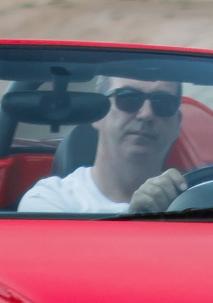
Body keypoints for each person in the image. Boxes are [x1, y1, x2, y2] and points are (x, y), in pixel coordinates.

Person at [17, 77, 186, 214]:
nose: (146, 114)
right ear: (97, 114)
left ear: (178, 124)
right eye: (127, 98)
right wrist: (136, 218)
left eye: (163, 103)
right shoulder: (50, 199)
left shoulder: (195, 200)